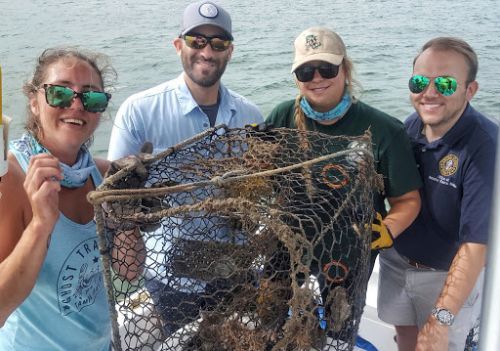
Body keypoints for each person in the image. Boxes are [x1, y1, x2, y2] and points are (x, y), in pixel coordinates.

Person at [107, 0, 263, 336]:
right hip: (171, 277)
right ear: (178, 45)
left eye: (218, 43)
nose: (207, 51)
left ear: (230, 52)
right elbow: (116, 201)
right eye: (197, 41)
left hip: (235, 266)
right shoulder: (138, 112)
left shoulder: (251, 117)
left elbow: (262, 191)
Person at [0, 47, 140, 350]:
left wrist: (129, 211)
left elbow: (130, 271)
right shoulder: (11, 179)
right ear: (34, 102)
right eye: (60, 94)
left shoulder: (104, 177)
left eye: (91, 98)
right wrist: (40, 225)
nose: (76, 105)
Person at [377, 37, 498, 351]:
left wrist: (442, 317)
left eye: (445, 84)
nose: (429, 93)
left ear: (470, 90)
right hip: (396, 261)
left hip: (446, 275)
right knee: (405, 336)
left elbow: (476, 246)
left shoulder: (485, 146)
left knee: (436, 344)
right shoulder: (410, 127)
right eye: (419, 81)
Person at [267, 26, 421, 268]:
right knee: (270, 303)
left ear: (345, 70)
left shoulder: (385, 130)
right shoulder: (281, 117)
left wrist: (387, 230)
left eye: (327, 69)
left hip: (350, 257)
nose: (316, 78)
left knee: (339, 307)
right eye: (305, 72)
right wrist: (256, 152)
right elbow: (266, 182)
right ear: (297, 79)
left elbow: (408, 200)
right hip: (288, 248)